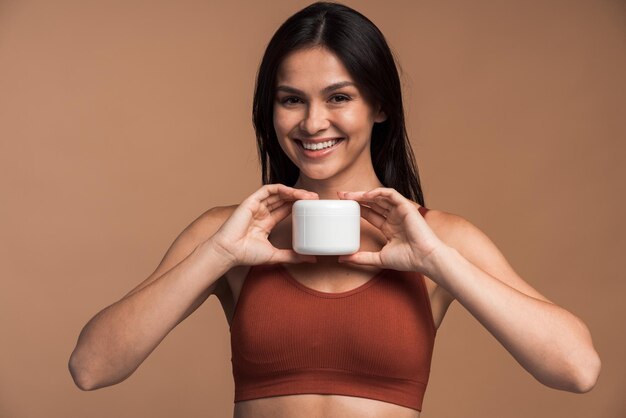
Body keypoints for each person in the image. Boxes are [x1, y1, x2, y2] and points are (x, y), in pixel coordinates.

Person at [68, 2, 601, 417]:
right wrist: (219, 254)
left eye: (339, 97)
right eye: (291, 99)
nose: (312, 122)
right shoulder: (229, 233)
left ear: (380, 105)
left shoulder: (437, 238)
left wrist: (437, 261)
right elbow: (91, 368)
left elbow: (577, 369)